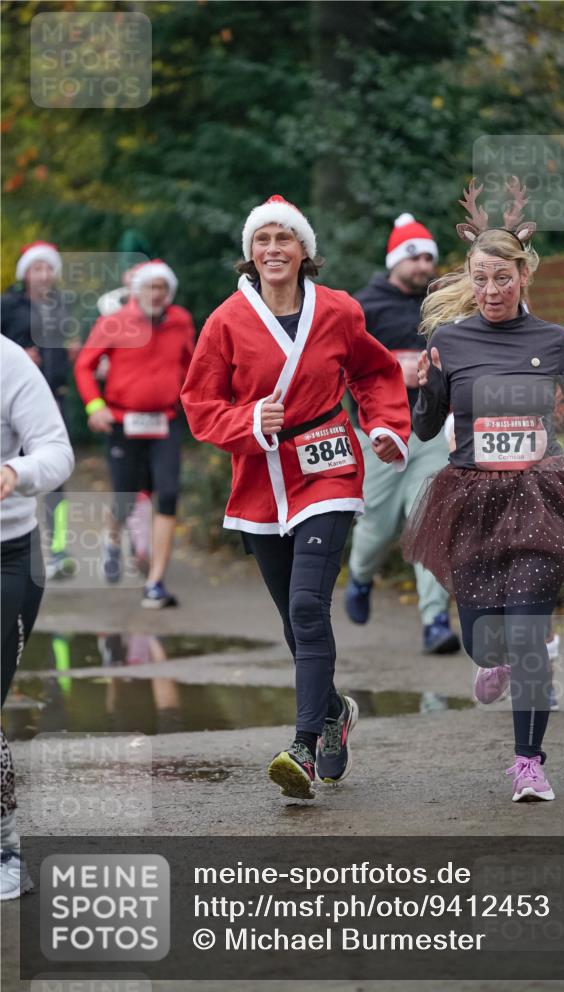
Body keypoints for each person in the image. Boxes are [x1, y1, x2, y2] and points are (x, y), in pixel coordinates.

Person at [402, 177, 564, 803]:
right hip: (470, 499)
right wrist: (428, 389)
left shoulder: (551, 339)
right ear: (470, 277)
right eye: (480, 279)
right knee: (485, 640)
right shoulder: (449, 341)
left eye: (502, 279)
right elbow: (427, 426)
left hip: (539, 497)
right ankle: (501, 661)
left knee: (526, 632)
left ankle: (530, 762)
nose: (490, 291)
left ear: (522, 278)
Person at [181, 195, 411, 800]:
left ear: (305, 250)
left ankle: (304, 746)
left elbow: (377, 372)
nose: (274, 249)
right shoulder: (226, 320)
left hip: (328, 463)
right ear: (249, 254)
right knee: (293, 620)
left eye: (285, 239)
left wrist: (385, 426)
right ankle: (334, 712)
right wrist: (251, 420)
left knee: (309, 609)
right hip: (260, 480)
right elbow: (200, 406)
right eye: (263, 240)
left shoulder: (338, 310)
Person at [344, 213, 460, 654]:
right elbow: (343, 365)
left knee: (430, 521)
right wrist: (395, 369)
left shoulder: (441, 307)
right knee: (375, 523)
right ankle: (359, 575)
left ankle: (434, 622)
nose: (423, 266)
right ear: (395, 260)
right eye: (414, 258)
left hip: (430, 433)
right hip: (378, 433)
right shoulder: (363, 306)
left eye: (429, 258)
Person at [74, 259, 195, 608]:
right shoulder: (116, 322)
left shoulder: (181, 321)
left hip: (166, 422)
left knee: (168, 495)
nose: (156, 294)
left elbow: (192, 365)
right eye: (149, 287)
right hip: (123, 423)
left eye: (162, 288)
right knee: (126, 497)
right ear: (136, 290)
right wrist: (95, 406)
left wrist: (197, 401)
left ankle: (155, 582)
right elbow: (85, 365)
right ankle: (112, 539)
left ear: (169, 292)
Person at [1, 335, 75, 899]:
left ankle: (4, 847)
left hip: (7, 555)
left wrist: (14, 474)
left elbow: (57, 451)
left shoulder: (7, 362)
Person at [1, 241, 79, 581]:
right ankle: (18, 541)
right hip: (13, 407)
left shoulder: (61, 305)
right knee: (14, 475)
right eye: (37, 268)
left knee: (55, 475)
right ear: (25, 274)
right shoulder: (8, 304)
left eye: (49, 268)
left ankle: (58, 548)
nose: (44, 275)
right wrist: (19, 358)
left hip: (54, 398)